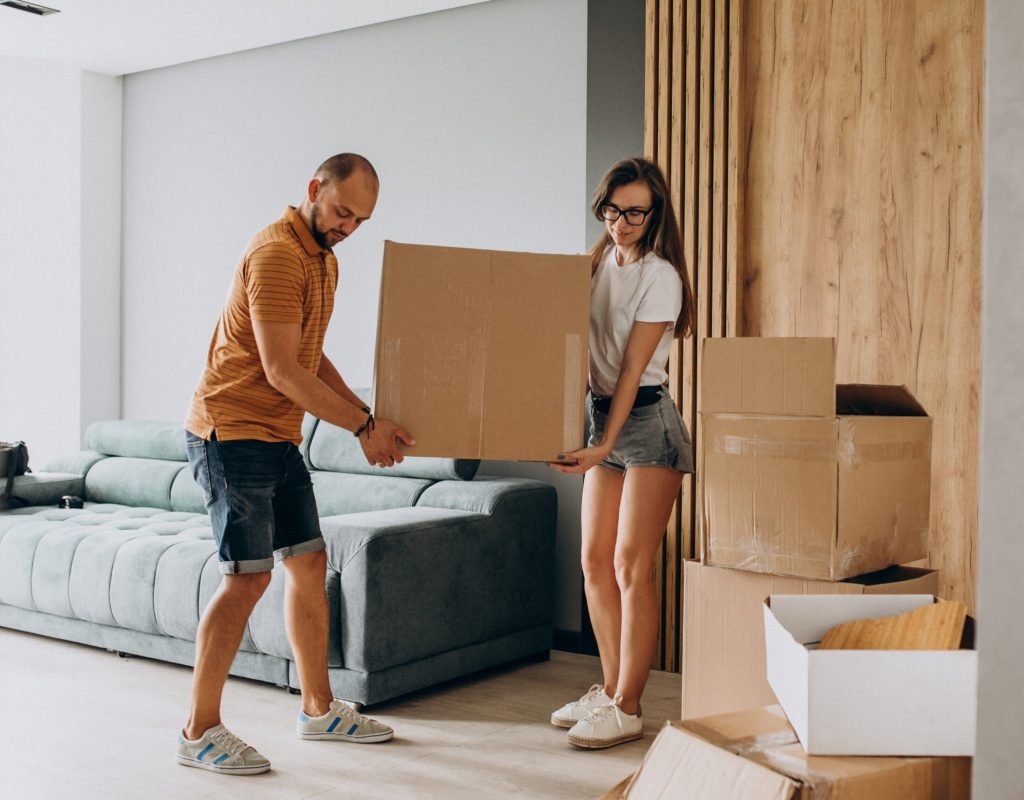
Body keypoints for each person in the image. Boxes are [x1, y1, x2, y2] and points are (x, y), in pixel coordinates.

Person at [175, 153, 413, 775]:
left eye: (361, 220)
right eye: (342, 212)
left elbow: (308, 354)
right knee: (247, 577)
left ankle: (318, 709)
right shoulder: (278, 254)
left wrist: (368, 412)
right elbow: (281, 371)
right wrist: (362, 427)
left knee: (308, 562)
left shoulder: (321, 258)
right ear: (314, 190)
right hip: (232, 435)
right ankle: (199, 731)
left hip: (276, 436)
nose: (348, 228)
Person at [549, 157, 696, 749]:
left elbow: (633, 369)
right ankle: (609, 691)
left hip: (645, 424)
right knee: (593, 560)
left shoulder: (660, 276)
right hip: (599, 417)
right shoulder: (594, 263)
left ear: (655, 212)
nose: (621, 223)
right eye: (612, 210)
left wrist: (603, 443)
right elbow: (569, 351)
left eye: (635, 212)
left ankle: (629, 707)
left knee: (632, 565)